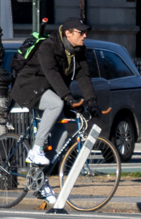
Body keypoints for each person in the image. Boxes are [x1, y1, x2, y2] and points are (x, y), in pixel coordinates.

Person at [11, 20, 96, 165]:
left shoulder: (78, 50)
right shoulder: (49, 46)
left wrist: (92, 101)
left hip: (47, 88)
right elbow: (52, 73)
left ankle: (40, 179)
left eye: (86, 32)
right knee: (56, 104)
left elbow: (83, 76)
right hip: (29, 85)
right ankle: (36, 149)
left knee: (62, 132)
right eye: (81, 33)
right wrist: (67, 97)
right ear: (68, 34)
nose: (84, 36)